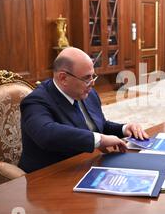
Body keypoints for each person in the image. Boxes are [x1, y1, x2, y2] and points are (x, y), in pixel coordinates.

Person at [18, 47, 148, 173]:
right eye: (87, 78)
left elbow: (99, 126)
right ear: (63, 78)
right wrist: (99, 140)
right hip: (49, 175)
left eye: (93, 76)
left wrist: (124, 129)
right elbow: (46, 134)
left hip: (84, 166)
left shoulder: (88, 93)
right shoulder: (35, 101)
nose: (92, 83)